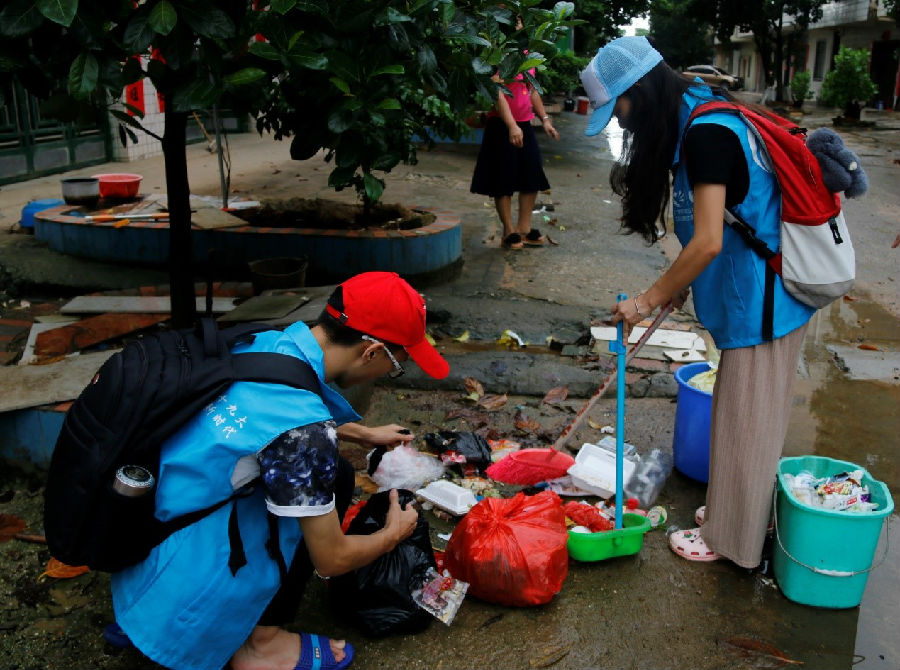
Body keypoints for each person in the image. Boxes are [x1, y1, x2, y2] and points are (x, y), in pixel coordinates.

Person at [109, 271, 450, 670]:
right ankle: (261, 646)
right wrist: (394, 534)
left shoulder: (263, 341)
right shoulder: (306, 432)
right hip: (187, 593)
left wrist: (360, 432)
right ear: (371, 352)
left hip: (142, 539)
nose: (388, 373)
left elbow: (268, 419)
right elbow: (332, 559)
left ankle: (146, 613)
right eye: (395, 366)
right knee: (325, 488)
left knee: (336, 474)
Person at [580, 37, 815, 569]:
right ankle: (737, 513)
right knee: (740, 414)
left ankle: (732, 542)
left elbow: (708, 240)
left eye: (618, 108)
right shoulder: (695, 117)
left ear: (639, 91)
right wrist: (682, 282)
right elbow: (718, 229)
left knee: (747, 423)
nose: (621, 122)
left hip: (764, 304)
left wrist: (648, 300)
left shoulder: (708, 132)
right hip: (748, 299)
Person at [470, 27, 560, 250]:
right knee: (503, 179)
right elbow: (496, 92)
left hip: (524, 124)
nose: (518, 24)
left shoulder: (528, 56)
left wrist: (545, 120)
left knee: (532, 174)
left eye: (520, 20)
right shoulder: (495, 54)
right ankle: (509, 231)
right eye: (514, 20)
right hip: (501, 125)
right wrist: (511, 125)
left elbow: (533, 91)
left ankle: (524, 229)